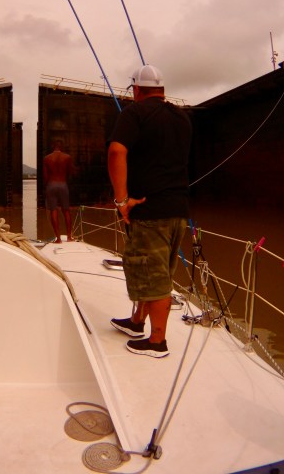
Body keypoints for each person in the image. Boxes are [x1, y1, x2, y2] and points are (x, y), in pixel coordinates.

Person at [107, 65, 192, 358]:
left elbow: (116, 151)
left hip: (149, 211)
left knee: (153, 277)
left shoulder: (134, 113)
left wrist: (122, 200)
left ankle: (157, 342)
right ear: (162, 89)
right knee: (158, 271)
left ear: (137, 89)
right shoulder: (182, 118)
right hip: (178, 210)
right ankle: (136, 322)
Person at [43, 139, 75, 242]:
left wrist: (47, 187)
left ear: (53, 147)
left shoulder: (47, 158)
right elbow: (71, 172)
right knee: (66, 211)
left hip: (51, 185)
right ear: (62, 147)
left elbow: (45, 176)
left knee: (53, 211)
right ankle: (69, 237)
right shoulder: (67, 157)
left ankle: (58, 238)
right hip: (62, 184)